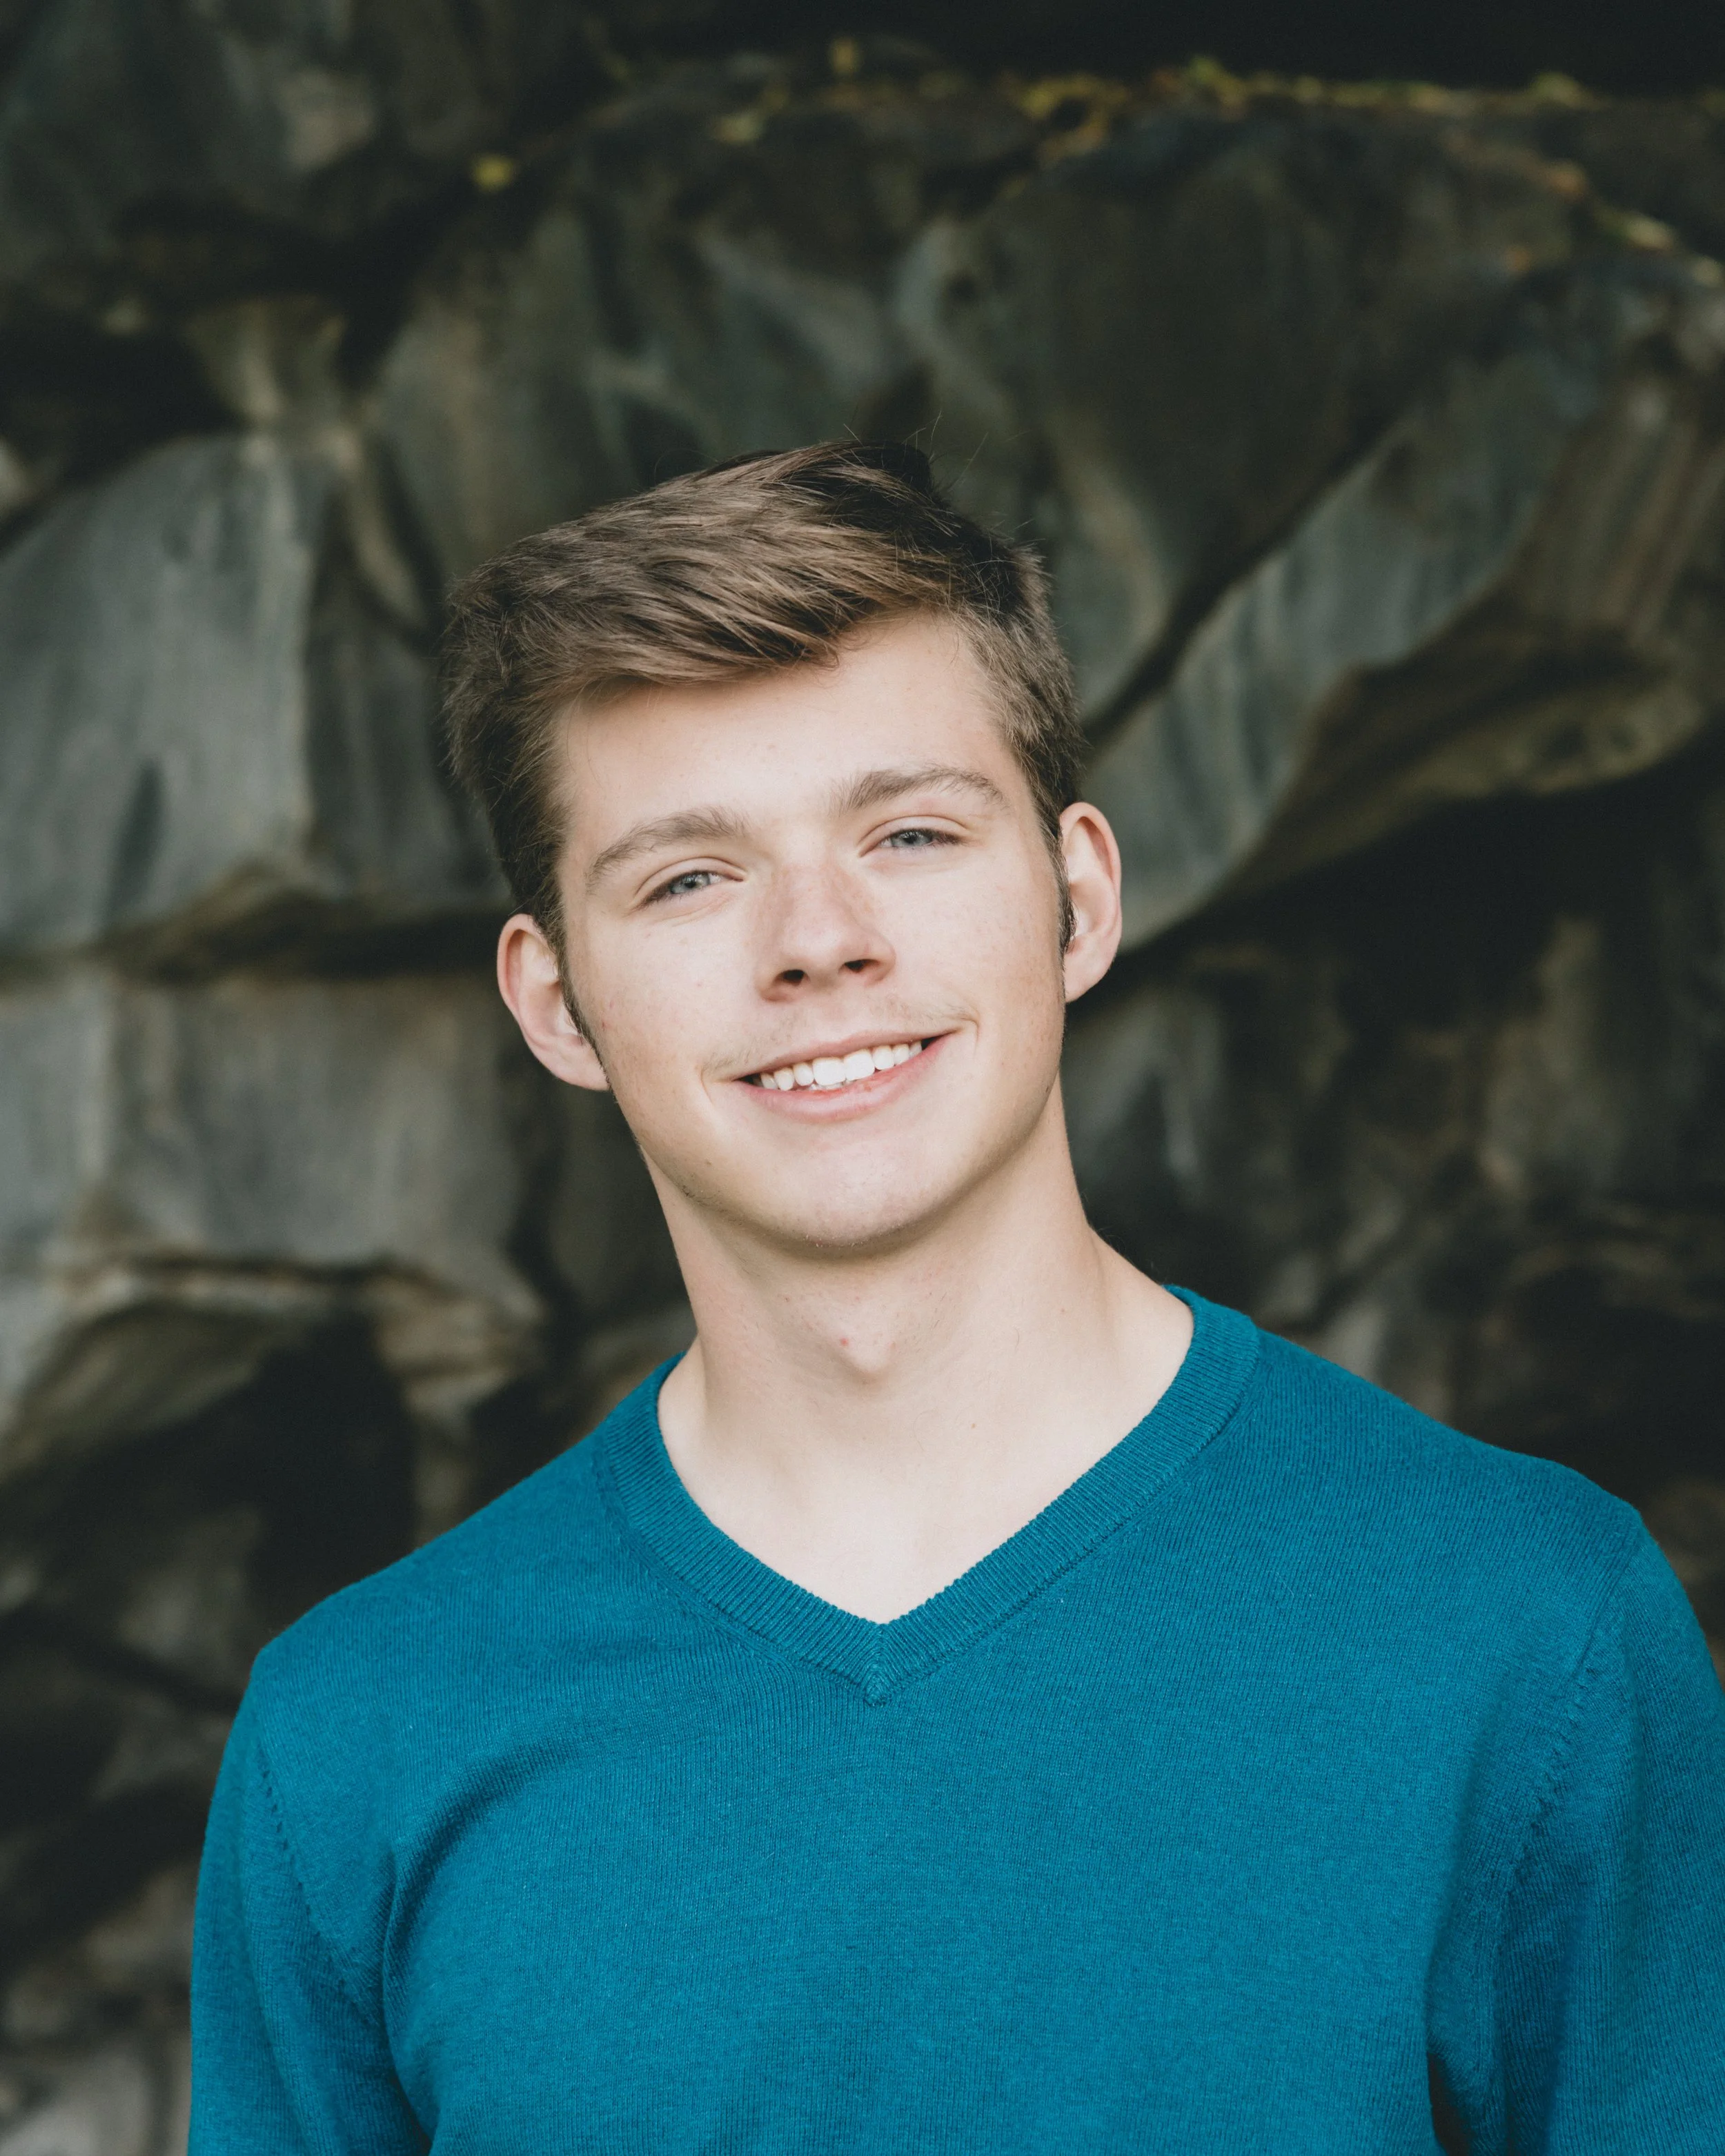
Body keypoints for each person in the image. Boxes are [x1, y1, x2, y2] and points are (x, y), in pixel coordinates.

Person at [190, 442, 1725, 2154]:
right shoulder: (358, 1738)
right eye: (688, 876)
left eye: (909, 831)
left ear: (1075, 894)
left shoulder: (1526, 1627)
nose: (817, 938)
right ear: (552, 999)